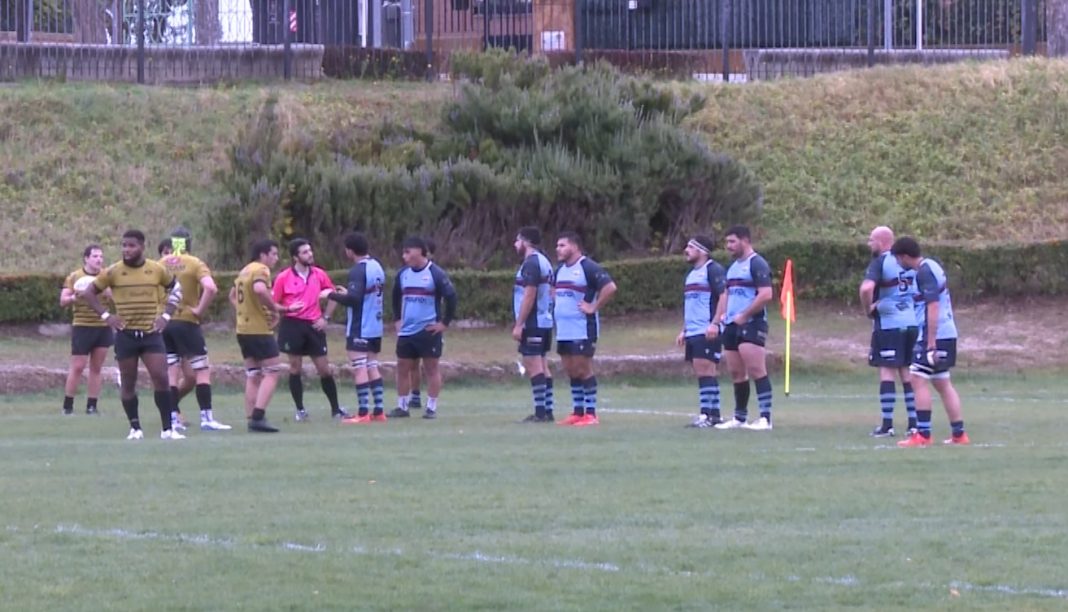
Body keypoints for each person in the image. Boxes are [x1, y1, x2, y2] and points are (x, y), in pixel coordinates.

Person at [80, 230, 184, 440]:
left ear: (142, 247)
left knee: (161, 378)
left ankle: (167, 429)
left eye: (131, 245)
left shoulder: (156, 269)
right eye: (124, 245)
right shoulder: (113, 271)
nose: (126, 250)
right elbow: (89, 293)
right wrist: (107, 316)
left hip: (150, 334)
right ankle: (135, 428)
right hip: (126, 335)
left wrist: (166, 315)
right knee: (128, 382)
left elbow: (176, 289)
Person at [891, 237, 969, 447]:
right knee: (942, 382)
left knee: (916, 378)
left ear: (905, 256)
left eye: (898, 258)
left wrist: (931, 342)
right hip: (947, 332)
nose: (898, 263)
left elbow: (933, 305)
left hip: (935, 334)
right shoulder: (932, 266)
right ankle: (959, 434)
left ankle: (923, 435)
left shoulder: (924, 272)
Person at [157, 229, 231, 432]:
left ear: (172, 244)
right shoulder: (195, 263)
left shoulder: (160, 264)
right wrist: (199, 310)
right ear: (189, 243)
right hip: (187, 322)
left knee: (171, 373)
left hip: (165, 322)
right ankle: (206, 418)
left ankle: (172, 419)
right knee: (201, 370)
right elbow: (211, 288)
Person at [272, 238, 347, 421]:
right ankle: (300, 410)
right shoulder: (283, 277)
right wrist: (285, 311)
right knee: (295, 367)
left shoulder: (319, 274)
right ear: (295, 257)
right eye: (305, 252)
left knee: (324, 369)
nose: (310, 254)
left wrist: (325, 318)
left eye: (310, 250)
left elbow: (333, 295)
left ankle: (336, 409)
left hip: (314, 325)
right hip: (292, 325)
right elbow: (273, 302)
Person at [230, 238, 299, 433]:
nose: (276, 258)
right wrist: (276, 309)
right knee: (272, 371)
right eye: (274, 254)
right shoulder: (261, 270)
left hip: (243, 329)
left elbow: (232, 296)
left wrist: (245, 312)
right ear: (263, 255)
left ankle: (251, 416)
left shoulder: (244, 270)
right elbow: (260, 289)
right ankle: (258, 417)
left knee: (254, 374)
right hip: (258, 330)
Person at [553, 232, 617, 427]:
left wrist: (593, 306)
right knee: (570, 369)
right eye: (557, 245)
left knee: (583, 369)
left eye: (562, 245)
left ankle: (591, 414)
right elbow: (554, 292)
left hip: (582, 328)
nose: (558, 249)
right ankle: (577, 412)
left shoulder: (587, 267)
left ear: (574, 246)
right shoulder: (560, 270)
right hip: (563, 329)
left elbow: (610, 287)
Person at [859, 226, 918, 437]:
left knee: (886, 371)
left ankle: (887, 424)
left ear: (883, 242)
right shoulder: (910, 261)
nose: (869, 244)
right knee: (907, 372)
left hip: (889, 324)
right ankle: (914, 423)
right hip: (911, 323)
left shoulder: (881, 261)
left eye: (871, 240)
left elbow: (866, 289)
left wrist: (869, 309)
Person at [389, 236, 457, 420]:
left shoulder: (436, 273)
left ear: (419, 251)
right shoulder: (403, 274)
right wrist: (397, 319)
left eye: (407, 252)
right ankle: (402, 407)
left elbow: (451, 297)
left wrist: (444, 323)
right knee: (402, 367)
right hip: (406, 331)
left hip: (428, 331)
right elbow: (395, 297)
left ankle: (431, 408)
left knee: (431, 369)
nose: (404, 256)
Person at [714, 225, 774, 431]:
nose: (728, 246)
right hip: (731, 325)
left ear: (745, 240)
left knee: (757, 369)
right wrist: (722, 317)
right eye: (727, 242)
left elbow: (766, 294)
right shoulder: (732, 267)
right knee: (736, 372)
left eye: (732, 242)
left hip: (752, 323)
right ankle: (740, 418)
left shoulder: (757, 263)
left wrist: (745, 314)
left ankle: (765, 418)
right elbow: (728, 295)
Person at [327, 232, 388, 423]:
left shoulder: (358, 270)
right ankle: (378, 411)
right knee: (372, 366)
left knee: (360, 368)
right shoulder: (377, 266)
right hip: (375, 327)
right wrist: (347, 293)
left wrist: (330, 295)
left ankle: (363, 413)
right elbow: (364, 295)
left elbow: (354, 300)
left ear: (349, 251)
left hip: (360, 326)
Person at [676, 235, 728, 428]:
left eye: (690, 247)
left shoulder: (713, 269)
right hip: (694, 330)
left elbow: (724, 295)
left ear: (702, 251)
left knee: (705, 369)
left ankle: (707, 415)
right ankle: (713, 415)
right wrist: (684, 329)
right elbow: (692, 305)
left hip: (706, 329)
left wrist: (715, 323)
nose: (686, 250)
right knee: (704, 371)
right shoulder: (692, 274)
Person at [59, 244, 113, 415]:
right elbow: (63, 300)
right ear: (86, 258)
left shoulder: (106, 276)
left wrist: (106, 292)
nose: (99, 260)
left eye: (101, 257)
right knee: (78, 367)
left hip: (103, 326)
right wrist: (75, 296)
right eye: (95, 256)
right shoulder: (76, 276)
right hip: (82, 326)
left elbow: (116, 296)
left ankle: (92, 406)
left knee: (96, 367)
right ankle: (68, 406)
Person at [512, 227, 556, 423]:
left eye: (517, 241)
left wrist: (519, 323)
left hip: (533, 322)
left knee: (533, 363)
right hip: (545, 320)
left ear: (525, 242)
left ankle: (540, 412)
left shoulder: (531, 263)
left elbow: (529, 294)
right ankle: (547, 410)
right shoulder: (545, 261)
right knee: (543, 364)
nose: (515, 245)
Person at [406, 237, 435, 411]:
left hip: (429, 327)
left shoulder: (434, 273)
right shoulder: (407, 273)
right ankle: (414, 396)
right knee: (412, 363)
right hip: (410, 327)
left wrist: (442, 322)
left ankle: (431, 404)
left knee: (431, 365)